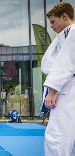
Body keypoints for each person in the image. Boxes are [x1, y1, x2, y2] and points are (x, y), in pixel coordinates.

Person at [41, 2, 75, 155]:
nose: (51, 26)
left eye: (53, 21)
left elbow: (66, 63)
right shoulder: (66, 34)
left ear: (64, 16)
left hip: (66, 89)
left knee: (57, 135)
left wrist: (52, 91)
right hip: (67, 86)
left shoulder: (71, 32)